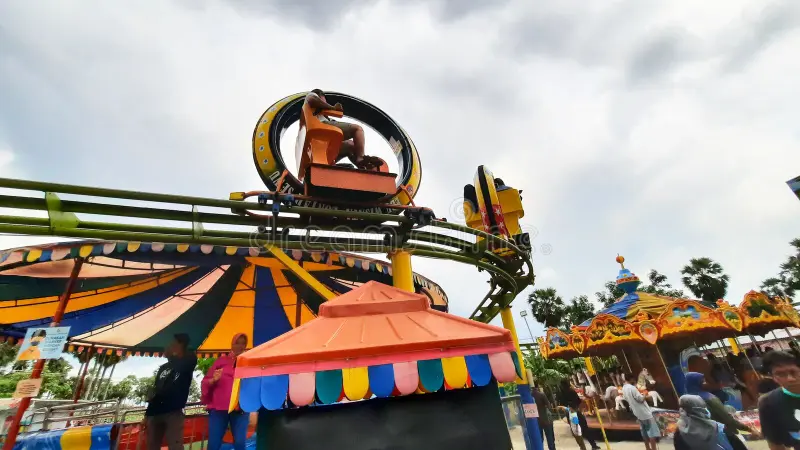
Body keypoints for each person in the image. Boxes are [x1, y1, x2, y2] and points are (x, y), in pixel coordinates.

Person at [142, 334, 198, 450]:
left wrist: (173, 355)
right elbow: (156, 390)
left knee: (175, 445)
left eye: (173, 344)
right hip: (155, 411)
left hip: (173, 411)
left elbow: (186, 361)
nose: (170, 346)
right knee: (152, 445)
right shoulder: (163, 368)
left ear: (181, 345)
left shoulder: (189, 360)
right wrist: (147, 415)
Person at [303, 89, 382, 170]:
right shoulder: (312, 96)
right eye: (324, 100)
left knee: (350, 145)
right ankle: (360, 158)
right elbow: (313, 99)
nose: (325, 103)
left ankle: (364, 168)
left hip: (324, 147)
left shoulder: (321, 115)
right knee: (357, 129)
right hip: (321, 129)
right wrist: (332, 108)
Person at [684, 372, 757, 450]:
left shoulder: (685, 399)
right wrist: (748, 429)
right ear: (697, 383)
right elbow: (728, 420)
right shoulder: (709, 398)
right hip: (718, 435)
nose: (706, 384)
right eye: (703, 382)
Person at [202, 334, 249, 450]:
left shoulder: (248, 363)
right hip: (219, 408)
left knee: (240, 443)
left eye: (243, 343)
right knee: (214, 444)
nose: (240, 346)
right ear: (232, 344)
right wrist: (214, 380)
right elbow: (205, 382)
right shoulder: (221, 361)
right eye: (237, 343)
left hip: (240, 408)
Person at [759, 351, 800, 449]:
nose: (790, 379)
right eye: (780, 374)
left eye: (793, 372)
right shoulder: (768, 403)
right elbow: (775, 444)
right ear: (772, 377)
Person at [557, 379, 600, 450]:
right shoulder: (571, 391)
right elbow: (578, 401)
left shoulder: (561, 393)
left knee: (575, 431)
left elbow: (561, 404)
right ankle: (593, 445)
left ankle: (582, 447)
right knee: (585, 428)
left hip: (569, 413)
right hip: (575, 411)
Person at [622, 373, 660, 450]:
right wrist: (645, 395)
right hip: (645, 413)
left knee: (644, 433)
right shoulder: (632, 388)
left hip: (637, 413)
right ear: (631, 379)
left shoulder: (624, 388)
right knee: (652, 433)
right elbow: (640, 399)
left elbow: (626, 399)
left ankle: (647, 448)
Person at [531, 384, 556, 450]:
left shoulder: (530, 396)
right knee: (550, 437)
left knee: (540, 438)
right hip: (546, 419)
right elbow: (549, 406)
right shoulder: (541, 394)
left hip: (536, 421)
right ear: (537, 386)